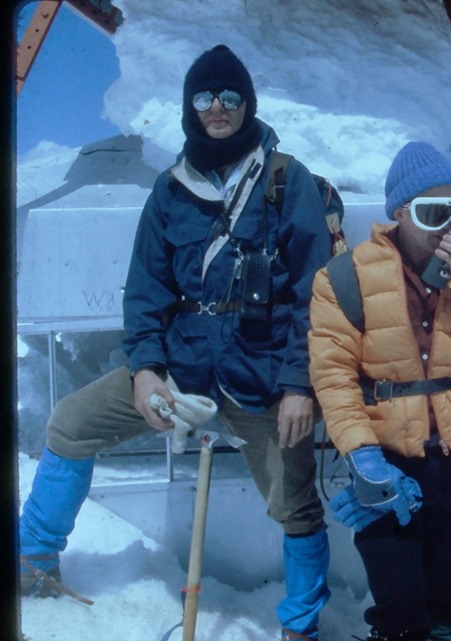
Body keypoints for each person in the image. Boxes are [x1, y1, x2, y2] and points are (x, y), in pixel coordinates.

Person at [18, 44, 334, 641]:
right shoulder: (170, 190)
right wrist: (145, 370)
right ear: (191, 106)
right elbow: (145, 290)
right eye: (206, 97)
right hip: (183, 365)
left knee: (295, 503)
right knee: (69, 424)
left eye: (230, 96)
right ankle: (33, 561)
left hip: (263, 376)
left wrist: (299, 385)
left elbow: (313, 294)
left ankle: (300, 626)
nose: (218, 107)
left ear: (248, 104)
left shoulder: (286, 182)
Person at [307, 141, 451, 641]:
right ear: (401, 214)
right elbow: (334, 374)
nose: (447, 225)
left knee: (442, 594)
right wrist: (363, 456)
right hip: (387, 460)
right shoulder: (343, 278)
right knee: (398, 601)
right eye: (432, 212)